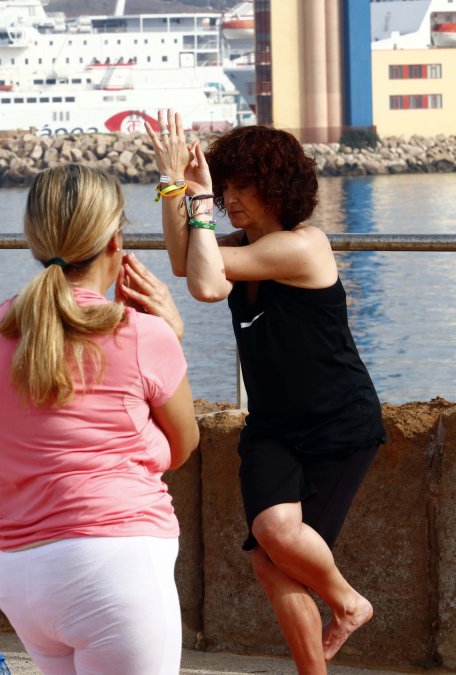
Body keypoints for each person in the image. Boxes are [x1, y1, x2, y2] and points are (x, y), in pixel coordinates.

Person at [148, 111, 385, 674]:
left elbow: (204, 281)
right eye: (225, 187)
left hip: (339, 425)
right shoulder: (236, 243)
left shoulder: (304, 247)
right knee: (271, 564)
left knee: (277, 541)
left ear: (278, 188)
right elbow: (186, 260)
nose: (231, 198)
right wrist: (173, 185)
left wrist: (198, 200)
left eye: (242, 187)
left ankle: (349, 602)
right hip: (274, 427)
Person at [0, 164, 200, 674]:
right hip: (115, 564)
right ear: (116, 240)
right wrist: (171, 334)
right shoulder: (142, 332)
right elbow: (183, 445)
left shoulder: (1, 325)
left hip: (22, 574)